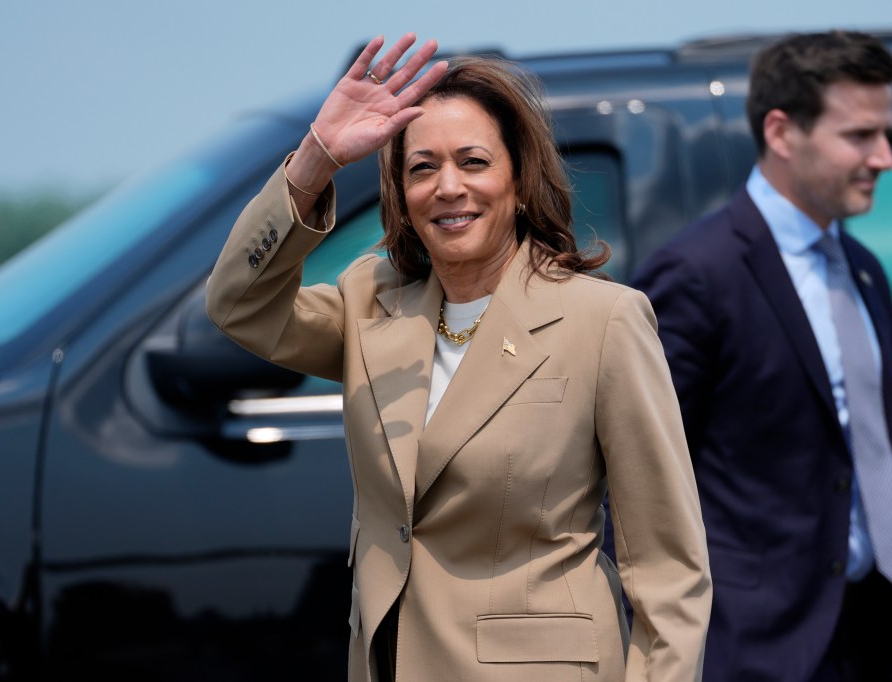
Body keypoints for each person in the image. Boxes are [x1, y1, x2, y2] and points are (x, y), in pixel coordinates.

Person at [206, 34, 711, 682]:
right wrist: (317, 160)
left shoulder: (603, 321)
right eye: (422, 168)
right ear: (401, 195)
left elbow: (669, 570)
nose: (448, 187)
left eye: (473, 162)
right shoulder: (370, 304)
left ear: (519, 181)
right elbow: (239, 305)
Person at [631, 30, 892, 681]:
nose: (886, 158)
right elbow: (636, 473)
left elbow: (883, 449)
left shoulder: (864, 270)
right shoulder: (697, 274)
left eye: (885, 133)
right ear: (782, 131)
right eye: (860, 136)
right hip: (747, 651)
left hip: (863, 633)